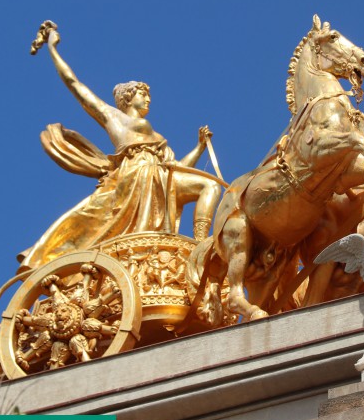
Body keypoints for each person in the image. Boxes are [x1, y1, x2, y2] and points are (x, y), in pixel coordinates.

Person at [18, 24, 221, 272]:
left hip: (160, 177)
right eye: (142, 94)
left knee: (209, 185)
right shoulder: (113, 117)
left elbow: (175, 168)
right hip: (135, 177)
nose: (148, 98)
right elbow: (74, 83)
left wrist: (199, 148)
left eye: (148, 95)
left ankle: (200, 246)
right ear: (128, 97)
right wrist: (52, 47)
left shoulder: (157, 137)